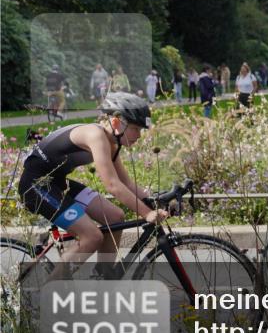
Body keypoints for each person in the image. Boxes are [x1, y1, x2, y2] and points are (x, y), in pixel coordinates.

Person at [17, 92, 168, 279]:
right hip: (36, 185)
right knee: (92, 237)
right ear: (116, 122)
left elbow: (126, 183)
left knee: (115, 217)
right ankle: (51, 294)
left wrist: (153, 201)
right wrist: (147, 213)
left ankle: (103, 277)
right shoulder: (95, 135)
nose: (138, 135)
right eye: (135, 128)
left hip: (57, 182)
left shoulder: (112, 142)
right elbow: (112, 185)